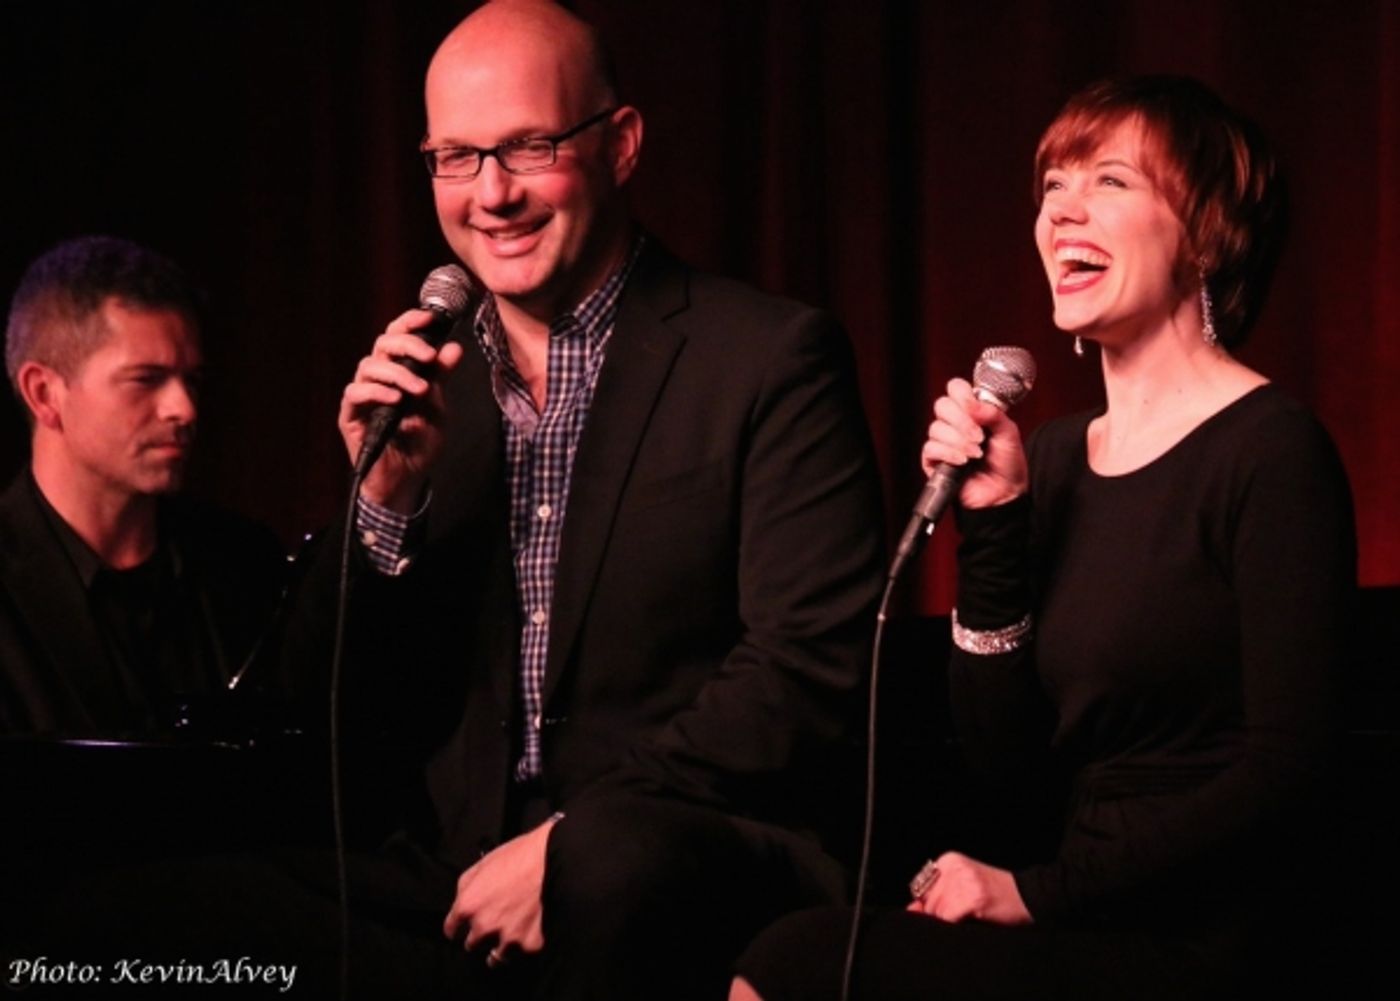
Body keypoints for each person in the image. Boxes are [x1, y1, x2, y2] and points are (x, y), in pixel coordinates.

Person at [732, 75, 1356, 1000]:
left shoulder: (1271, 451)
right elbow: (1003, 764)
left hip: (1206, 937)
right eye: (1051, 188)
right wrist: (991, 528)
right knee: (789, 946)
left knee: (800, 964)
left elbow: (1291, 772)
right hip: (1074, 908)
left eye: (1108, 181)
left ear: (1206, 227)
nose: (1063, 213)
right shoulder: (1055, 456)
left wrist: (1033, 893)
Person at [306, 1, 884, 998]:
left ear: (619, 146)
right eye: (454, 156)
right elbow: (337, 716)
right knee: (164, 905)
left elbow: (806, 668)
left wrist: (571, 838)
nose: (491, 194)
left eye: (529, 147)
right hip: (460, 870)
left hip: (683, 845)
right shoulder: (427, 394)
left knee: (612, 869)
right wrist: (385, 506)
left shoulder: (768, 359)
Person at [0, 235, 286, 735]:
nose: (184, 409)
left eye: (191, 380)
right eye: (145, 379)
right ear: (44, 393)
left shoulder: (245, 563)